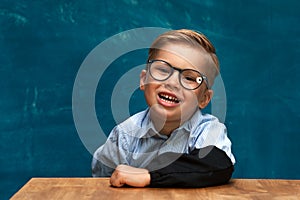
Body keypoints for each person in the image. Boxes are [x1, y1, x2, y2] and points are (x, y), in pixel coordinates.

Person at [92, 29, 235, 188]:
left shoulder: (208, 130)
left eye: (189, 78)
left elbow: (218, 165)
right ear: (143, 80)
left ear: (204, 98)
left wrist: (150, 176)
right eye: (162, 70)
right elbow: (102, 183)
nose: (173, 83)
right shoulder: (124, 135)